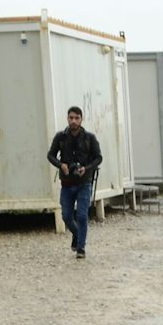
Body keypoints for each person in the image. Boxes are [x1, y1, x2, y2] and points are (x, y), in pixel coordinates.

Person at [47, 106, 102, 258]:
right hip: (66, 183)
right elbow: (50, 155)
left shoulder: (89, 138)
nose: (73, 121)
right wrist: (61, 165)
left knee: (83, 216)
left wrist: (87, 168)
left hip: (84, 183)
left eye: (77, 118)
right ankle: (77, 234)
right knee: (66, 216)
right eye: (71, 118)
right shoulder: (61, 137)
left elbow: (98, 157)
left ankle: (81, 248)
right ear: (67, 119)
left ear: (81, 119)